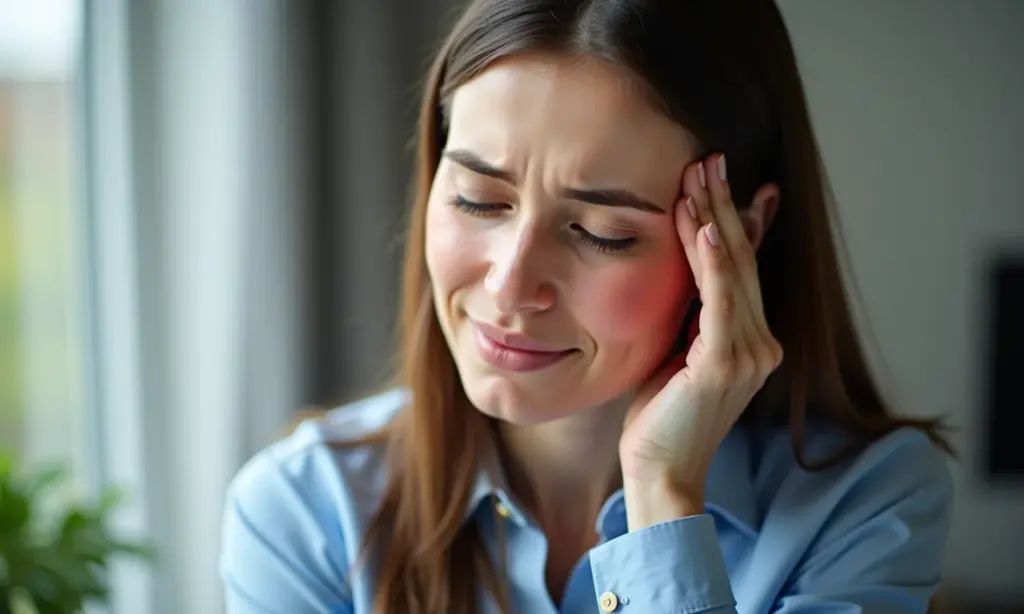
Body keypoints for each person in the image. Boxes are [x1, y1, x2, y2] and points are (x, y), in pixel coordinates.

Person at [219, 0, 954, 612]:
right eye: (479, 199)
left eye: (600, 233)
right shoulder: (304, 511)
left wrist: (663, 493)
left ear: (738, 236)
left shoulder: (866, 504)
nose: (510, 286)